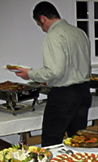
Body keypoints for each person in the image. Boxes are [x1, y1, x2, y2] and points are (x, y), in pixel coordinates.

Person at [15, 1, 92, 147]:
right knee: (78, 140)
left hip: (64, 95)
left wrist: (29, 74)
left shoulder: (54, 35)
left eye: (40, 25)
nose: (43, 29)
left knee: (51, 141)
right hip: (83, 92)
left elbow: (54, 71)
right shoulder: (79, 32)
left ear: (43, 18)